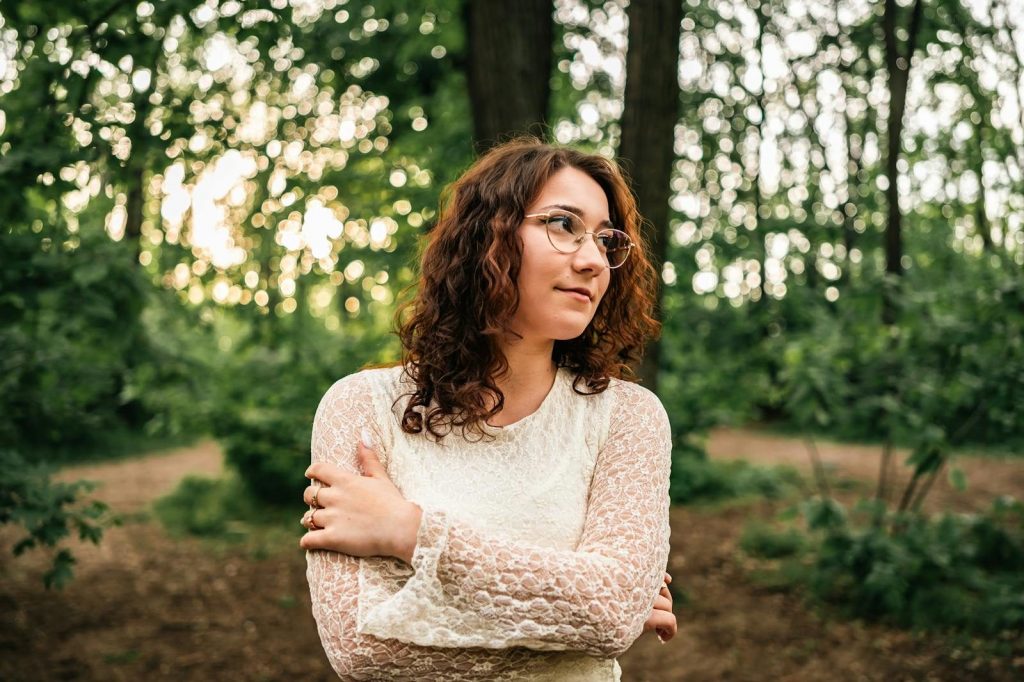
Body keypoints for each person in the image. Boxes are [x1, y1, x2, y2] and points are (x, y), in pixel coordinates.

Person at [298, 138, 676, 681]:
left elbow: (610, 615)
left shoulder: (628, 418)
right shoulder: (361, 409)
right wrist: (570, 624)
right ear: (487, 238)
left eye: (606, 239)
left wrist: (409, 532)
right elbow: (363, 650)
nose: (593, 260)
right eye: (564, 225)